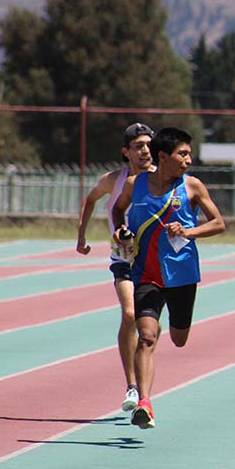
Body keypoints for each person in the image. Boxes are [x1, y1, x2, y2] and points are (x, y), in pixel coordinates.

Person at [111, 127, 225, 429]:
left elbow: (218, 223)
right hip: (146, 274)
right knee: (146, 336)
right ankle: (145, 404)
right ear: (164, 157)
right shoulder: (135, 185)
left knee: (178, 339)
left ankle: (165, 324)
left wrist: (189, 231)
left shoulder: (192, 187)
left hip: (183, 275)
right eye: (183, 154)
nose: (188, 160)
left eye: (189, 154)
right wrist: (121, 230)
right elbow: (118, 211)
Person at [76, 122, 155, 413]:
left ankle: (143, 382)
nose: (145, 150)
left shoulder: (160, 180)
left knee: (150, 329)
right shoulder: (114, 180)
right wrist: (81, 235)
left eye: (148, 145)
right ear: (126, 152)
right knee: (129, 313)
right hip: (123, 260)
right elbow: (90, 199)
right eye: (138, 146)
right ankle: (132, 386)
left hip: (152, 264)